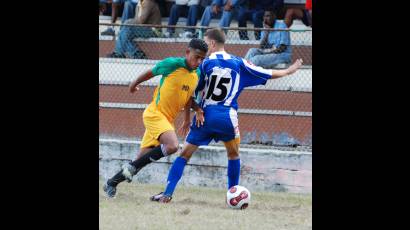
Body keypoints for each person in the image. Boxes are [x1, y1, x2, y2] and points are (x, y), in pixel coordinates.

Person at [150, 28, 303, 203]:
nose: (204, 47)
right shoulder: (239, 63)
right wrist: (288, 71)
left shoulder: (204, 64)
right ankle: (233, 195)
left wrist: (196, 110)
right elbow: (267, 73)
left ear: (212, 44)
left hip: (205, 117)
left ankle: (168, 193)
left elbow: (191, 90)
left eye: (206, 43)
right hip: (227, 117)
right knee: (233, 155)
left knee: (184, 155)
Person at [103, 38, 208, 198]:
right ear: (187, 53)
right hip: (155, 114)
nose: (199, 61)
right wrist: (134, 83)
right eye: (196, 57)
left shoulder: (197, 73)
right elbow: (151, 72)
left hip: (166, 120)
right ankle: (129, 169)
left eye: (202, 58)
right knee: (173, 146)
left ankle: (111, 183)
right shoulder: (173, 64)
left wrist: (191, 115)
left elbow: (188, 98)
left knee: (138, 162)